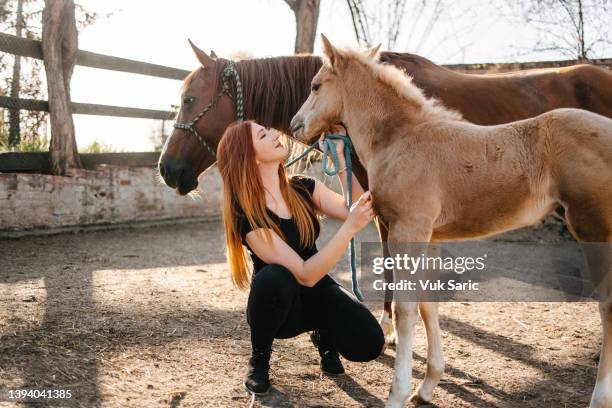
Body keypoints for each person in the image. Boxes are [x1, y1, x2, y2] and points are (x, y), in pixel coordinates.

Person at [216, 120, 385, 395]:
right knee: (274, 276)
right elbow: (304, 273)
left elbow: (354, 207)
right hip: (281, 306)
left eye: (268, 129)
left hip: (317, 292)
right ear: (250, 157)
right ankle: (259, 362)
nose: (273, 134)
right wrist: (350, 228)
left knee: (369, 343)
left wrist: (340, 157)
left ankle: (324, 337)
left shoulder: (303, 187)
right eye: (263, 135)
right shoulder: (246, 213)